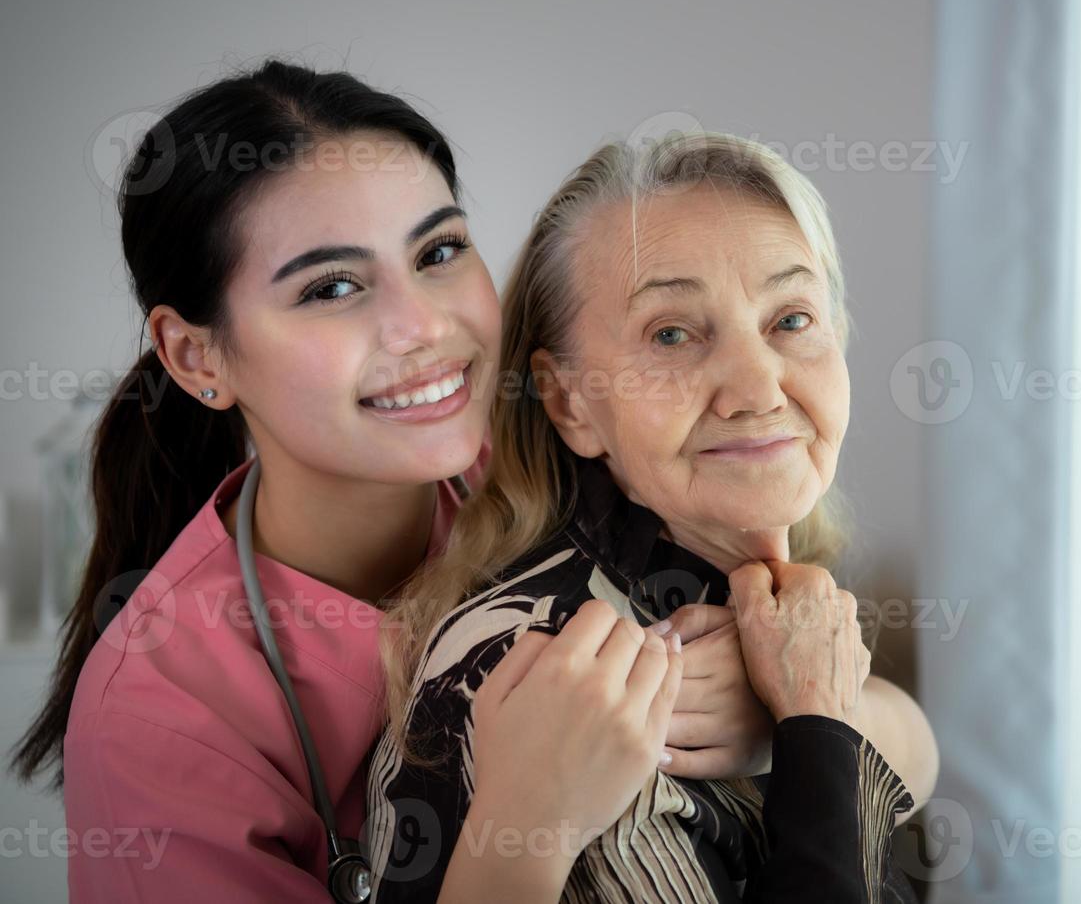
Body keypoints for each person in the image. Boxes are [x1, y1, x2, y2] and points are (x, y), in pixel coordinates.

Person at [8, 60, 938, 902]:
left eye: (439, 252)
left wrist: (782, 717)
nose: (424, 325)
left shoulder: (562, 463)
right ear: (194, 354)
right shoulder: (156, 713)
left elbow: (908, 746)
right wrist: (520, 820)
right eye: (331, 287)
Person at [371, 131, 934, 902]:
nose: (758, 388)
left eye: (790, 319)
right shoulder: (572, 692)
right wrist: (810, 728)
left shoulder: (744, 594)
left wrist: (797, 722)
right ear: (569, 401)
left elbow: (917, 745)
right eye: (672, 334)